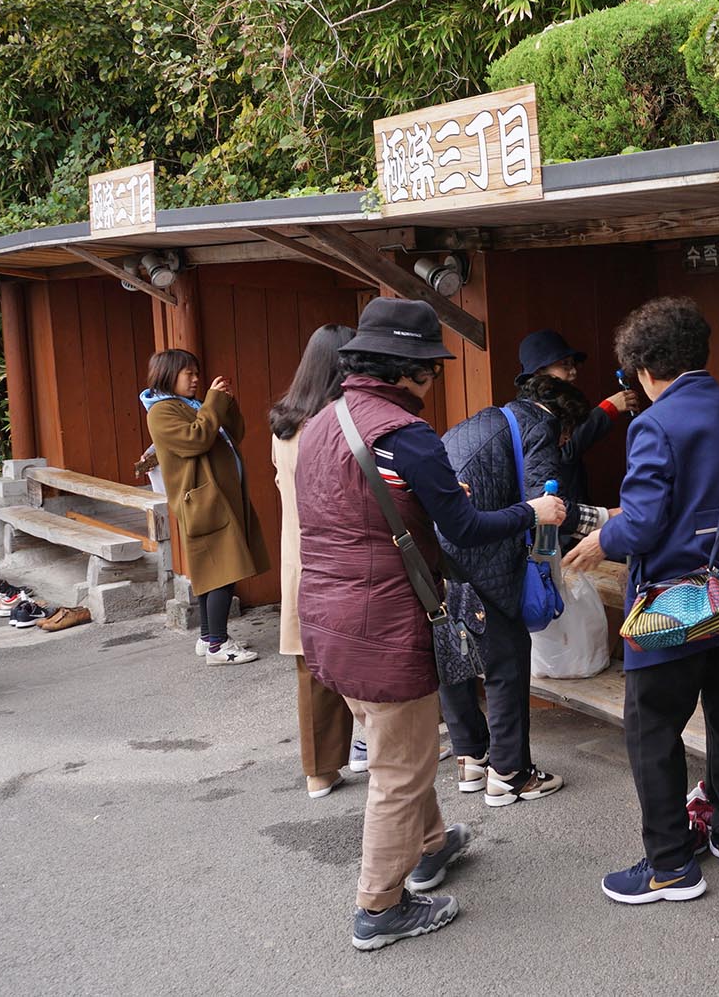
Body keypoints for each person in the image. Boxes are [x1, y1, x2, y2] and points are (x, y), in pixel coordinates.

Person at [295, 298, 565, 951]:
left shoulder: (321, 423)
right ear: (410, 368)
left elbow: (360, 514)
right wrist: (534, 510)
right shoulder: (407, 435)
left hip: (326, 619)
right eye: (433, 368)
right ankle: (379, 907)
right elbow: (464, 527)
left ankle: (432, 845)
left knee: (399, 749)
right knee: (400, 770)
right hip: (385, 622)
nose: (435, 379)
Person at [564, 297, 719, 905]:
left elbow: (640, 526)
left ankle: (669, 865)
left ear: (641, 368)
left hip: (677, 603)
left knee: (652, 728)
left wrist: (598, 542)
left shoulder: (655, 425)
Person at [435, 366, 602, 806]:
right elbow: (545, 505)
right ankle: (510, 774)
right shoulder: (540, 425)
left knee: (454, 655)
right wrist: (604, 520)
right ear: (564, 420)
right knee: (507, 661)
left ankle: (472, 758)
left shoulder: (479, 421)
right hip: (484, 554)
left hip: (440, 554)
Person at [269, 323, 358, 798]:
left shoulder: (284, 424)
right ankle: (377, 743)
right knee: (363, 651)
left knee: (311, 665)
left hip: (296, 554)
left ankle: (319, 770)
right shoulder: (336, 423)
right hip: (339, 553)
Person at [141, 348, 267, 665]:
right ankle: (218, 647)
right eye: (189, 373)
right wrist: (212, 403)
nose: (196, 379)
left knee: (213, 569)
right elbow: (195, 439)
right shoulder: (160, 412)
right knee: (224, 569)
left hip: (217, 498)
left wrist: (225, 402)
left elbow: (234, 433)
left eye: (196, 373)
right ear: (168, 375)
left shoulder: (193, 405)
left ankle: (208, 637)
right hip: (202, 500)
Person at [515, 328, 639, 520]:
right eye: (565, 365)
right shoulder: (533, 413)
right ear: (540, 372)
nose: (573, 372)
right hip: (557, 519)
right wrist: (608, 409)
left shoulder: (539, 407)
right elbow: (566, 452)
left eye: (573, 365)